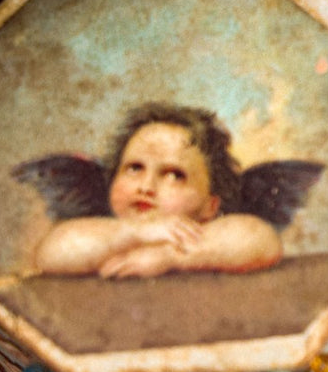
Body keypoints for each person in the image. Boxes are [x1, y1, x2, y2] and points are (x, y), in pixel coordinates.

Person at [33, 105, 284, 278]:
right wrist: (136, 231)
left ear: (210, 205)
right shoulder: (104, 235)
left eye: (174, 175)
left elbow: (261, 239)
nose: (146, 187)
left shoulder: (205, 237)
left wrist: (171, 257)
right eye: (134, 168)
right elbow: (52, 252)